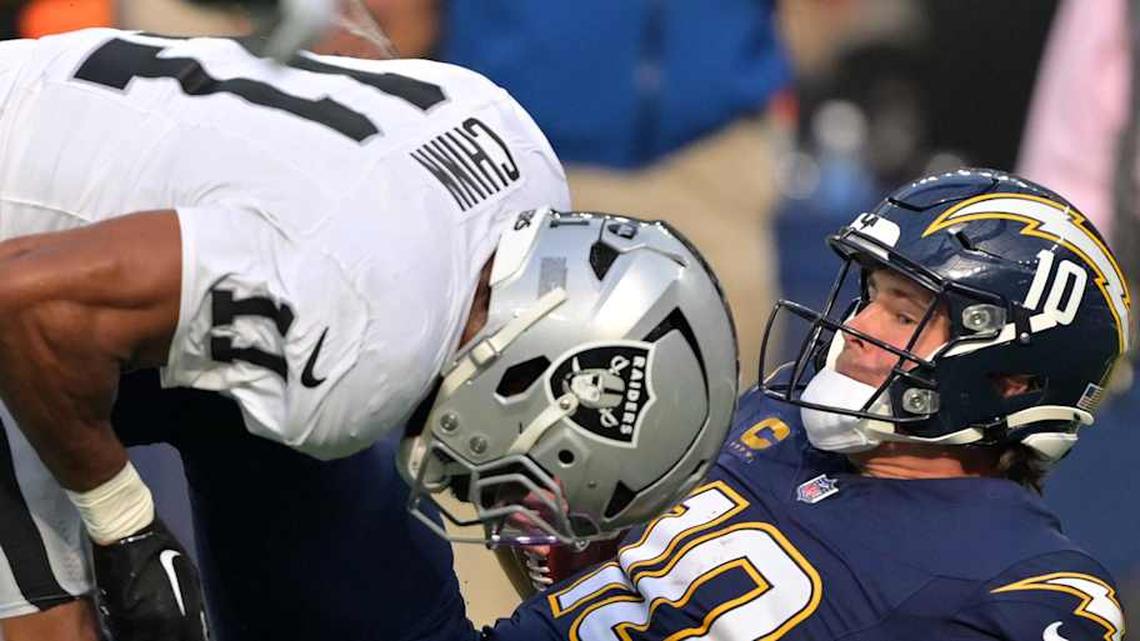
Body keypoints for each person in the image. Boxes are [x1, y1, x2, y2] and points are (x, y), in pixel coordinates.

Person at [0, 26, 740, 641]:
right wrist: (126, 527)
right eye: (546, 464)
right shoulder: (364, 330)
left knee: (369, 592)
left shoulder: (523, 159)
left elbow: (343, 44)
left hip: (102, 215)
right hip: (24, 303)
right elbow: (20, 305)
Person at [482, 168, 1130, 640]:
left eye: (904, 314)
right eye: (871, 294)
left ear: (1011, 380)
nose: (858, 325)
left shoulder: (1027, 585)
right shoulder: (782, 414)